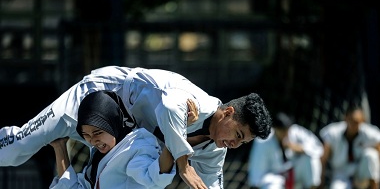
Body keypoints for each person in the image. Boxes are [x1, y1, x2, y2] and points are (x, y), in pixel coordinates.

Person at [0, 65, 272, 189]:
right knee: (15, 150)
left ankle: (62, 152)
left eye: (243, 142)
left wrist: (183, 160)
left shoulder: (215, 151)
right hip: (97, 99)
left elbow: (210, 186)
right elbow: (169, 107)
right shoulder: (199, 102)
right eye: (237, 134)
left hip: (118, 137)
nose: (235, 144)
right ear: (227, 112)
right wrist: (183, 163)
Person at [50, 90, 180, 188]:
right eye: (86, 135)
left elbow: (155, 176)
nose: (93, 140)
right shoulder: (99, 157)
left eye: (98, 132)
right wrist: (59, 147)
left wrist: (174, 136)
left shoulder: (135, 148)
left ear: (114, 123)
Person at [248, 112, 323, 189]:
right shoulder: (262, 141)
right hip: (275, 179)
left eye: (287, 130)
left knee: (310, 158)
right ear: (275, 129)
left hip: (294, 173)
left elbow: (318, 148)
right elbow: (257, 174)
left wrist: (299, 148)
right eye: (282, 131)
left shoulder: (295, 131)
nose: (286, 133)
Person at [319, 104, 380, 189]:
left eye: (357, 122)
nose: (354, 125)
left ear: (362, 121)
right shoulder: (333, 133)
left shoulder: (369, 134)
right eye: (352, 121)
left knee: (371, 155)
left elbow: (377, 152)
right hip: (341, 174)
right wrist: (320, 183)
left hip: (360, 174)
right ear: (346, 118)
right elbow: (323, 159)